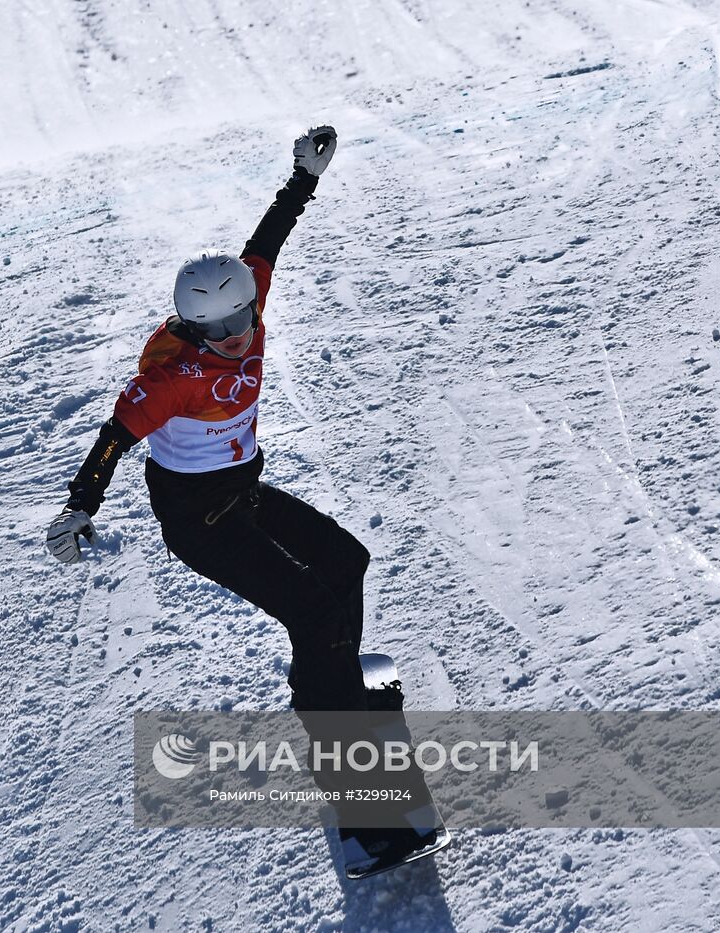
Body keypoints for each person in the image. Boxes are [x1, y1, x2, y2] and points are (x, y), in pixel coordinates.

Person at [46, 126, 439, 870]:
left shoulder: (246, 308)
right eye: (220, 327)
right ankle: (361, 802)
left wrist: (302, 177)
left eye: (243, 317)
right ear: (195, 327)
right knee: (314, 611)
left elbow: (268, 241)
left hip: (243, 492)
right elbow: (112, 436)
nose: (238, 334)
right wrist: (81, 503)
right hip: (201, 523)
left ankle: (337, 694)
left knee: (346, 563)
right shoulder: (171, 377)